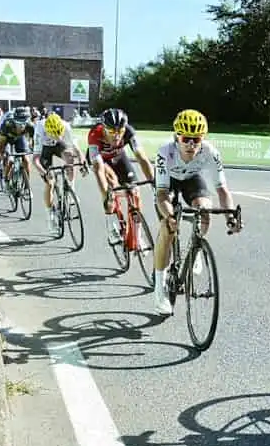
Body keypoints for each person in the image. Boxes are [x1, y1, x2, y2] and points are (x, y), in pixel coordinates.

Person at [152, 109, 242, 314]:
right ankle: (159, 290)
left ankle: (196, 246)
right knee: (168, 228)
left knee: (204, 211)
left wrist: (230, 217)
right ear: (177, 137)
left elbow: (222, 190)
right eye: (186, 139)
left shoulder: (210, 152)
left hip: (192, 179)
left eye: (196, 139)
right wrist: (170, 215)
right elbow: (162, 195)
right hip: (168, 185)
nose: (191, 144)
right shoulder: (165, 152)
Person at [86, 108, 155, 217]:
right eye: (111, 132)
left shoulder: (129, 131)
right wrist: (106, 196)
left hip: (118, 156)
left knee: (135, 190)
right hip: (100, 160)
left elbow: (142, 158)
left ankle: (137, 224)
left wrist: (154, 184)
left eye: (120, 131)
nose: (117, 136)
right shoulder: (94, 134)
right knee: (112, 182)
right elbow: (98, 168)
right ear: (104, 129)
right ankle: (113, 210)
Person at [33, 112, 84, 231]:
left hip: (59, 145)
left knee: (70, 158)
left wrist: (82, 160)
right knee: (50, 183)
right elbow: (35, 160)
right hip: (44, 148)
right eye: (54, 134)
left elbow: (76, 148)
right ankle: (50, 214)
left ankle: (71, 189)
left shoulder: (65, 126)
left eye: (59, 133)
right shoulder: (40, 129)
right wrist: (44, 173)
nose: (57, 136)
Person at [0, 106, 35, 187]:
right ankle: (6, 179)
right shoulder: (7, 125)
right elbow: (2, 143)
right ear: (14, 120)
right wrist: (2, 154)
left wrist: (34, 149)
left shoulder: (30, 126)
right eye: (19, 123)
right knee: (9, 160)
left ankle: (27, 185)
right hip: (7, 138)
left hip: (19, 138)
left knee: (26, 160)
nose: (21, 126)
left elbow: (34, 141)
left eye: (24, 123)